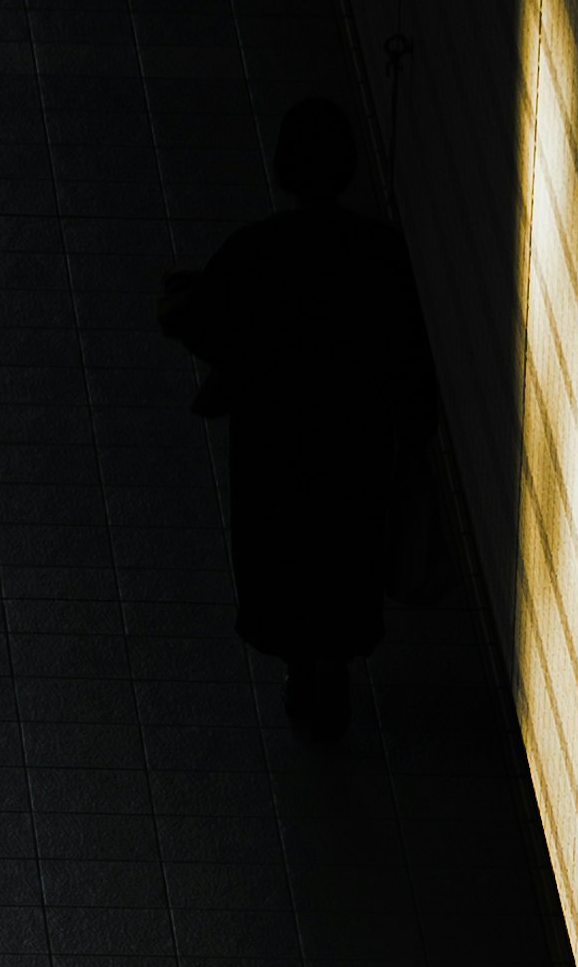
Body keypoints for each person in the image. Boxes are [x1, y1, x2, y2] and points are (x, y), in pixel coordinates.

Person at [158, 97, 437, 735]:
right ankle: (335, 656)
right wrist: (414, 429)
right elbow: (407, 350)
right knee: (345, 545)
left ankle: (300, 660)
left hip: (275, 436)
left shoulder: (257, 251)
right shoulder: (379, 252)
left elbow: (210, 325)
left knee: (282, 547)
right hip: (355, 435)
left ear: (285, 170)